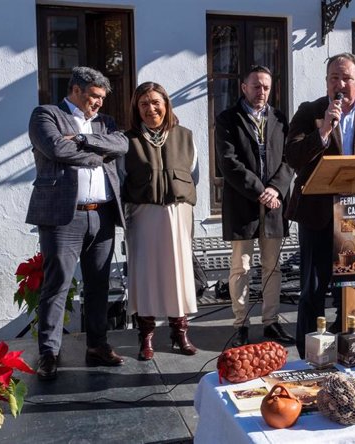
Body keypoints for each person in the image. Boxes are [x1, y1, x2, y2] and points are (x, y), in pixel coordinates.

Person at [285, 52, 355, 358]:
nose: (340, 84)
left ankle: (351, 349)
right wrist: (322, 133)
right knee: (312, 290)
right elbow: (292, 157)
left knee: (353, 291)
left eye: (347, 78)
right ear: (327, 82)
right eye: (334, 77)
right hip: (317, 215)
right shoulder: (310, 112)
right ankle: (308, 355)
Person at [27, 66, 128, 380]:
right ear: (75, 90)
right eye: (93, 96)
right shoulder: (46, 115)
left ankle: (97, 345)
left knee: (98, 285)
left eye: (101, 98)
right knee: (56, 286)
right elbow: (56, 148)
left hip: (103, 214)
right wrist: (98, 150)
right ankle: (49, 353)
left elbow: (122, 145)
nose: (98, 103)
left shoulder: (104, 122)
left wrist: (83, 139)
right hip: (63, 217)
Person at [215, 66, 294, 347]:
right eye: (257, 86)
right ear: (244, 87)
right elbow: (228, 162)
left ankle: (271, 323)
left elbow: (289, 159)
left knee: (272, 267)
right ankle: (241, 325)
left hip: (274, 205)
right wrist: (261, 191)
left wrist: (276, 189)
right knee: (241, 267)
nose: (262, 92)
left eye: (266, 87)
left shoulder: (279, 119)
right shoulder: (228, 119)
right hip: (243, 204)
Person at [122, 82, 198, 360]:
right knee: (145, 275)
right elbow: (121, 179)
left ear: (166, 105)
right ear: (136, 108)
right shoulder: (127, 140)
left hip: (177, 212)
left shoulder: (185, 136)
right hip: (143, 213)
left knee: (177, 273)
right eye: (144, 103)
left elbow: (194, 174)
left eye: (156, 102)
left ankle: (180, 333)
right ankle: (146, 336)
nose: (151, 108)